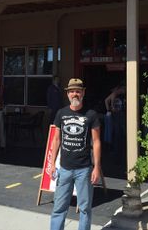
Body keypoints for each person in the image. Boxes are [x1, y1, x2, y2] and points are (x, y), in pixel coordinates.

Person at [47, 78, 101, 230]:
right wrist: (52, 164)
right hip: (64, 169)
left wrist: (97, 167)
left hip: (84, 170)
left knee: (84, 208)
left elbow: (96, 142)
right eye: (71, 91)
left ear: (83, 92)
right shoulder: (61, 113)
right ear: (68, 94)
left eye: (78, 91)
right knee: (59, 208)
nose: (75, 94)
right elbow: (56, 139)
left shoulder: (91, 115)